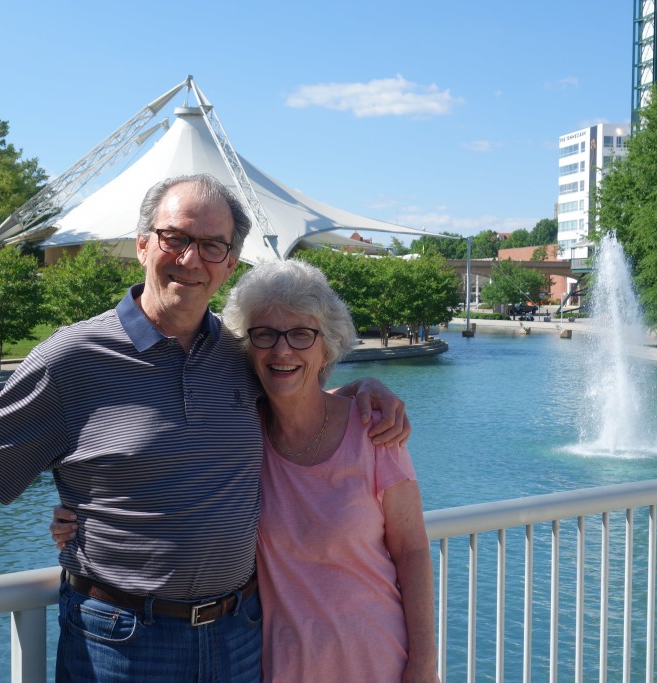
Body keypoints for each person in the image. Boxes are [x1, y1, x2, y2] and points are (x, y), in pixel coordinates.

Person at [0, 174, 409, 682]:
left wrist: (361, 390)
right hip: (122, 638)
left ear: (231, 260)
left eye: (212, 245)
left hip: (238, 633)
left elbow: (296, 385)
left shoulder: (237, 354)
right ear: (143, 243)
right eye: (175, 237)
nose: (191, 257)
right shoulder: (72, 359)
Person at [55, 259, 438, 682]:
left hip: (376, 658)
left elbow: (413, 551)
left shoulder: (374, 432)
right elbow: (170, 480)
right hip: (271, 662)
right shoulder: (241, 436)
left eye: (300, 334)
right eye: (265, 334)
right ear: (246, 347)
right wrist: (88, 516)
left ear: (326, 345)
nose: (282, 349)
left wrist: (423, 663)